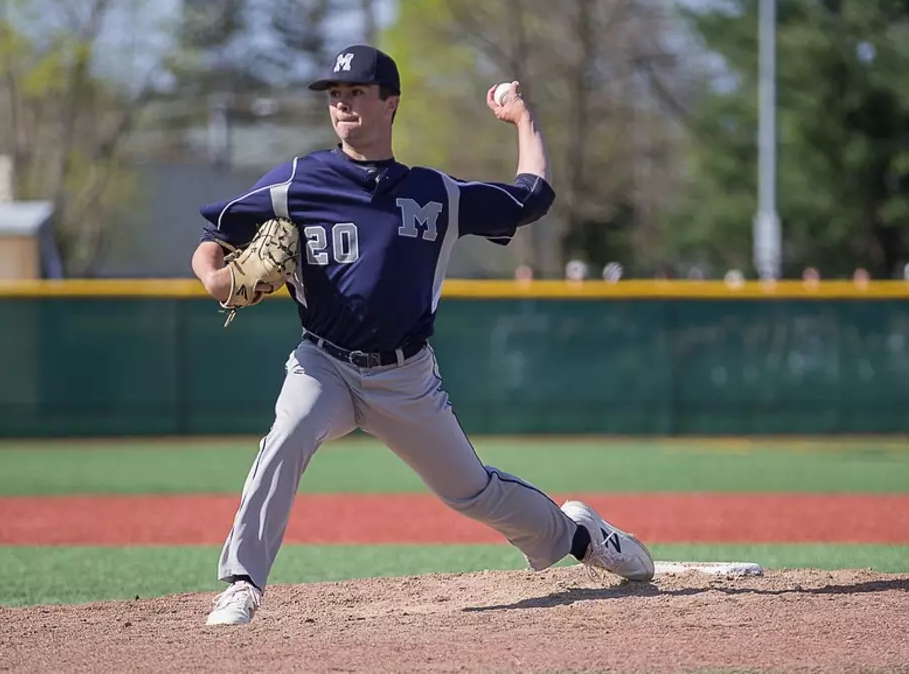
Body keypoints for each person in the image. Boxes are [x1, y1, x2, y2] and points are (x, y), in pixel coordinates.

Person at [191, 44, 654, 626]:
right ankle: (242, 582)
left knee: (474, 492)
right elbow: (214, 229)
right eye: (335, 96)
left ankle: (581, 536)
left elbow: (531, 198)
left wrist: (523, 119)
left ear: (391, 103)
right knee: (287, 437)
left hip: (404, 376)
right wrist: (213, 276)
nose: (342, 105)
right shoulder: (295, 182)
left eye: (356, 92)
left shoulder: (436, 194)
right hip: (322, 364)